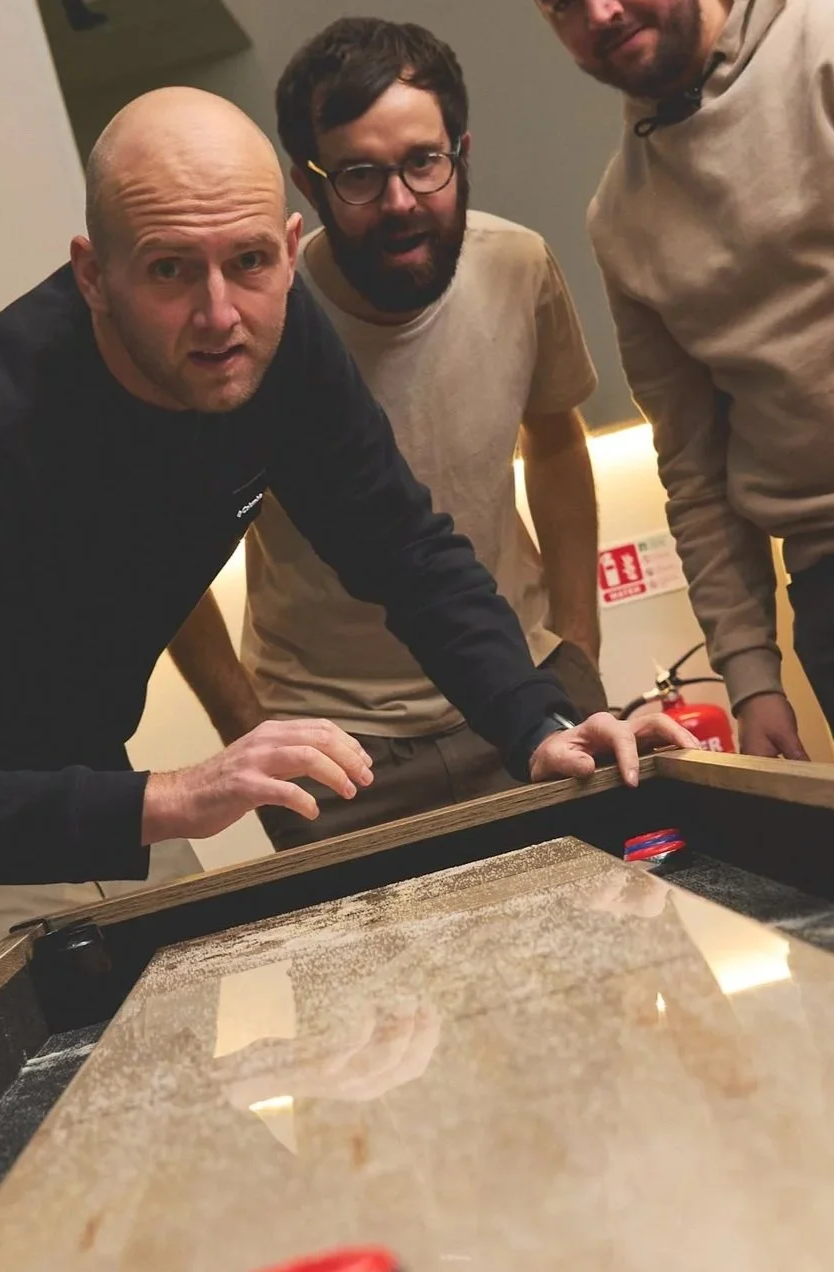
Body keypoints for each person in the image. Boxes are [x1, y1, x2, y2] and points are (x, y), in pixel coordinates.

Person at [0, 86, 683, 1024]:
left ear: (289, 250)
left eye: (248, 262)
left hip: (80, 771)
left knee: (184, 1061)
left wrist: (538, 722)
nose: (218, 316)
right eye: (168, 270)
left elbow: (402, 546)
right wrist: (173, 795)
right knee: (60, 1120)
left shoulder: (278, 345)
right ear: (91, 274)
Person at [168, 16, 608, 847]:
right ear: (310, 185)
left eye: (422, 163)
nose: (401, 201)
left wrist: (576, 647)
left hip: (526, 698)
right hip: (339, 758)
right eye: (361, 175)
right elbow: (161, 553)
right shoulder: (249, 328)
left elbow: (554, 440)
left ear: (460, 152)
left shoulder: (518, 267)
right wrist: (245, 726)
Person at [537, 0, 834, 777]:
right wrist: (748, 678)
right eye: (564, 5)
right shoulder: (618, 215)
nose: (601, 12)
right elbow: (691, 465)